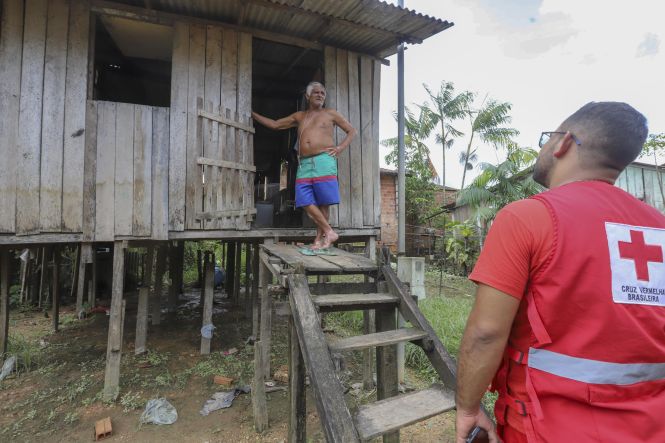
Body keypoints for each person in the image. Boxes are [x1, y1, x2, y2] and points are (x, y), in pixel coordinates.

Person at [455, 102, 665, 443]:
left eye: (546, 138)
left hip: (547, 427)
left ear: (563, 142)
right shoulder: (659, 226)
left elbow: (487, 333)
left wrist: (467, 409)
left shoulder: (528, 217)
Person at [252, 81, 356, 250]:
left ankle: (319, 240)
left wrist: (340, 148)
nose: (320, 95)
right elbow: (275, 124)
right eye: (316, 92)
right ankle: (329, 231)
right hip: (304, 162)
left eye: (323, 93)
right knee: (304, 199)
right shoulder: (299, 116)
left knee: (323, 202)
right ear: (308, 96)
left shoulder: (330, 114)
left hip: (324, 159)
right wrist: (253, 115)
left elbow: (351, 131)